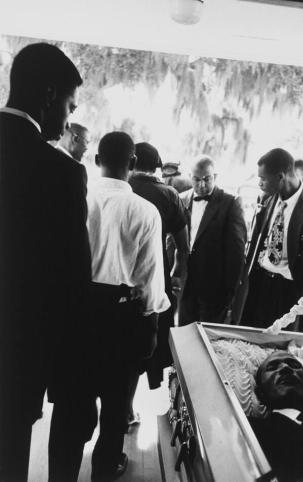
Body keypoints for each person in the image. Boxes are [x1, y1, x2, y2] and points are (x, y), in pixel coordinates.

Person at [0, 43, 92, 482]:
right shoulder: (60, 172)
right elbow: (72, 282)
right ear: (49, 94)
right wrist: (76, 375)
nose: (67, 121)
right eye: (69, 106)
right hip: (18, 352)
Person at [87, 132, 170, 481]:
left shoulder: (76, 198)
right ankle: (105, 465)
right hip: (121, 316)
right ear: (133, 165)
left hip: (77, 312)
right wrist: (150, 327)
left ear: (96, 160)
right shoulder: (144, 211)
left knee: (75, 395)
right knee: (116, 395)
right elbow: (150, 278)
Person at [239, 148, 303, 332]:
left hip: (290, 294)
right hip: (259, 286)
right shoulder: (268, 198)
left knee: (279, 353)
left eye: (263, 178)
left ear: (280, 177)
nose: (259, 183)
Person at [129, 142, 189, 393]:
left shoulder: (124, 188)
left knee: (122, 342)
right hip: (155, 274)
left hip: (121, 275)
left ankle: (126, 405)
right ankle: (146, 400)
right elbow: (183, 246)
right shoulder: (168, 195)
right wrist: (177, 273)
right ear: (156, 167)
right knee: (149, 338)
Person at [179, 154, 247, 325]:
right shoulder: (181, 199)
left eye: (207, 179)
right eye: (196, 179)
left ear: (215, 177)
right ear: (190, 177)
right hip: (186, 283)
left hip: (215, 286)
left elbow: (237, 250)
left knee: (209, 337)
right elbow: (172, 240)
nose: (201, 184)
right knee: (184, 334)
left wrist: (230, 290)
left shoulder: (231, 202)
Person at [249, 351, 303, 482]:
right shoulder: (247, 430)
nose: (286, 368)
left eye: (294, 364)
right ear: (260, 393)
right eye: (272, 367)